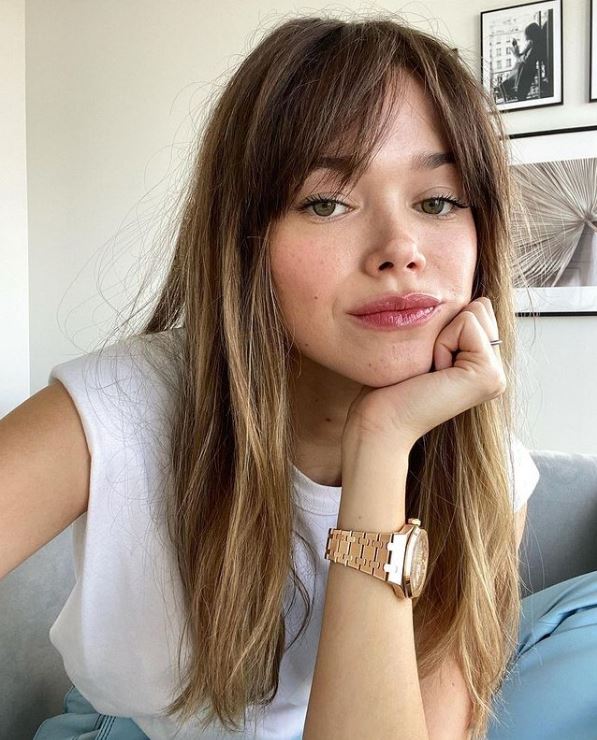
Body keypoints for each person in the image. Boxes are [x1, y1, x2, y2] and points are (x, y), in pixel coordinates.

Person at [2, 12, 595, 740]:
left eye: (437, 201)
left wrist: (380, 444)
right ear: (246, 240)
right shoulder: (115, 409)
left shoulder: (490, 472)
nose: (400, 248)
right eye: (326, 202)